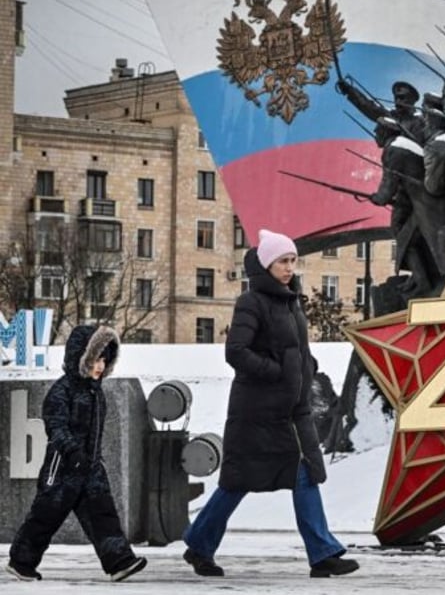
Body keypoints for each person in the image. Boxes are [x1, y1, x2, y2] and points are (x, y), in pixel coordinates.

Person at [181, 229, 359, 579]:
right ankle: (200, 544)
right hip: (258, 413)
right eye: (283, 261)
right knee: (238, 481)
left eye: (293, 260)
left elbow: (296, 349)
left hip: (291, 412)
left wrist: (307, 368)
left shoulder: (291, 300)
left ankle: (322, 554)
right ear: (267, 264)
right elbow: (236, 351)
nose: (290, 267)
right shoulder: (252, 301)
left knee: (306, 473)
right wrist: (276, 371)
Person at [6, 325, 147, 583]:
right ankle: (21, 562)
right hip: (63, 469)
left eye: (104, 360)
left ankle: (119, 561)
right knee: (46, 516)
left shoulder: (95, 392)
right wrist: (74, 453)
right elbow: (55, 427)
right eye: (95, 359)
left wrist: (93, 460)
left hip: (91, 466)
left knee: (103, 513)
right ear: (80, 358)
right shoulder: (62, 390)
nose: (100, 366)